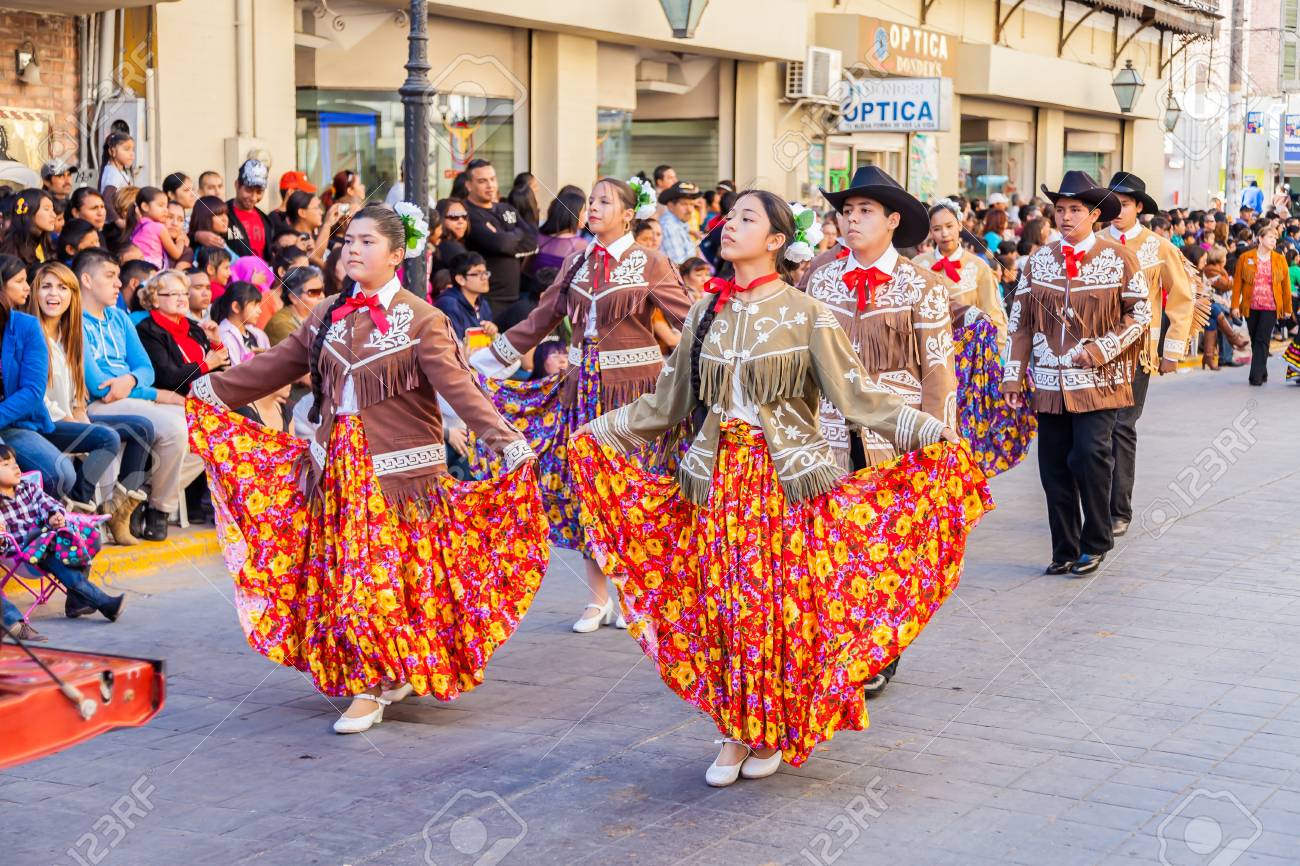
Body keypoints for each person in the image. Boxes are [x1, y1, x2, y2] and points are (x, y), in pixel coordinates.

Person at [568, 188, 987, 784]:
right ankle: (734, 730)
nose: (730, 226)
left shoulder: (806, 312)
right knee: (722, 611)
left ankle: (767, 728)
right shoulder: (707, 312)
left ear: (774, 241)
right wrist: (596, 433)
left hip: (785, 482)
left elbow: (859, 397)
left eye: (747, 219)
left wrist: (934, 433)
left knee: (770, 612)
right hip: (715, 485)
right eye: (729, 215)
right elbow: (665, 405)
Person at [185, 203, 549, 734]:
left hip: (401, 477)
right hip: (336, 469)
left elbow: (461, 389)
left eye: (367, 242)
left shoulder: (424, 319)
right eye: (348, 240)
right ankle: (381, 671)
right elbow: (279, 362)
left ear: (398, 256)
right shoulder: (329, 311)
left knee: (382, 581)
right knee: (351, 579)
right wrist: (210, 389)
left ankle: (371, 684)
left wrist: (506, 440)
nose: (352, 249)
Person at [469, 178, 693, 633]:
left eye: (604, 201)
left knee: (631, 494)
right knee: (585, 491)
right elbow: (540, 318)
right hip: (580, 390)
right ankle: (597, 600)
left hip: (634, 395)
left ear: (629, 214)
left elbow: (686, 316)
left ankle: (637, 598)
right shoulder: (577, 261)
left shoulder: (651, 262)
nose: (593, 207)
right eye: (591, 201)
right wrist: (482, 361)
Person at [1002, 171, 1149, 576]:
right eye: (1060, 209)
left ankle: (1096, 540)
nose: (1065, 217)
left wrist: (1102, 348)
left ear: (1095, 214)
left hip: (1100, 384)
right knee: (1052, 469)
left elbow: (1141, 315)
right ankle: (1064, 548)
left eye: (1075, 210)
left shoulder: (1119, 258)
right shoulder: (1038, 260)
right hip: (1049, 385)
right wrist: (1013, 377)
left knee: (1089, 457)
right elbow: (1020, 324)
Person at [76, 248, 204, 541]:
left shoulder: (120, 318)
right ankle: (155, 507)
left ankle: (145, 501)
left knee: (207, 428)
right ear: (86, 279)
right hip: (99, 404)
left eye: (118, 277)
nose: (119, 284)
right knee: (175, 428)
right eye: (110, 277)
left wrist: (132, 381)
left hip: (131, 395)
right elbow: (98, 386)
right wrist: (148, 391)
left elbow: (145, 368)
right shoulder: (75, 321)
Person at [28, 262, 153, 543]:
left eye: (62, 287)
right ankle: (76, 508)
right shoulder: (30, 332)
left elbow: (76, 391)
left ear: (72, 294)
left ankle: (118, 512)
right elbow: (33, 394)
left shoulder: (70, 335)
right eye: (46, 286)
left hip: (70, 417)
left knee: (142, 429)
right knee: (106, 438)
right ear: (35, 291)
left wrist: (79, 410)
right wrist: (70, 417)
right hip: (44, 422)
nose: (54, 294)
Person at [1103, 173, 1197, 537]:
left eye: (1124, 204)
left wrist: (1172, 349)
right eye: (1111, 203)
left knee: (1123, 427)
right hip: (1095, 354)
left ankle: (1118, 509)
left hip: (1139, 351)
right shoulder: (1094, 243)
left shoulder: (1159, 248)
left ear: (1139, 207)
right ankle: (1095, 502)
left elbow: (1182, 297)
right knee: (1095, 432)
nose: (1116, 210)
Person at [913, 200, 1031, 478]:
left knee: (965, 427)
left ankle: (964, 484)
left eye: (949, 226)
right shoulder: (918, 265)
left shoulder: (978, 267)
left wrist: (1002, 360)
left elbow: (995, 314)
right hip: (929, 359)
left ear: (961, 225)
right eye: (937, 229)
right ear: (930, 232)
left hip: (970, 363)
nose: (944, 234)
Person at [0, 445, 124, 622]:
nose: (15, 467)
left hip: (48, 542)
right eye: (6, 465)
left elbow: (49, 504)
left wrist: (54, 516)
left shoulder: (28, 489)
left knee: (85, 537)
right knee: (56, 555)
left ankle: (77, 602)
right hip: (22, 555)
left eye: (14, 462)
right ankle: (104, 603)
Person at [136, 269, 229, 394]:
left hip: (210, 395)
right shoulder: (147, 330)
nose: (182, 298)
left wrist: (216, 343)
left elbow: (224, 369)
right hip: (176, 401)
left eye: (185, 293)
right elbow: (166, 375)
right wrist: (205, 365)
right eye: (174, 294)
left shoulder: (194, 327)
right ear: (155, 300)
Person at [462, 159, 530, 317]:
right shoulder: (468, 213)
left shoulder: (506, 209)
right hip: (487, 299)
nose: (490, 185)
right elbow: (501, 244)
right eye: (482, 181)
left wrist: (506, 237)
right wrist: (514, 235)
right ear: (469, 185)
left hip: (515, 296)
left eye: (492, 179)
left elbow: (531, 239)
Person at [1232, 224, 1294, 386]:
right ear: (1260, 239)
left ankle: (1255, 377)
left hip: (1271, 306)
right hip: (1250, 305)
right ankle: (1263, 371)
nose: (1274, 240)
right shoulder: (1246, 258)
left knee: (1261, 339)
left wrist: (1288, 308)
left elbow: (1286, 286)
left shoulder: (1280, 259)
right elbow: (1238, 282)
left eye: (1275, 237)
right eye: (1270, 237)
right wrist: (1234, 306)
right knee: (1255, 339)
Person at [435, 253, 498, 341]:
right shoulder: (449, 305)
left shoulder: (482, 303)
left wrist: (492, 332)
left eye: (485, 273)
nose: (484, 277)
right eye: (477, 273)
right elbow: (454, 346)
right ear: (461, 279)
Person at [532, 189, 587, 284]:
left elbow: (526, 270)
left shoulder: (539, 237)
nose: (587, 215)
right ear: (573, 214)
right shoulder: (580, 245)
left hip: (534, 295)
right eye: (584, 211)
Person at [225, 159, 274, 262]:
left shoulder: (266, 220)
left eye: (259, 192)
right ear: (237, 185)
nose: (253, 198)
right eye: (249, 190)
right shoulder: (222, 215)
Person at [264, 265, 325, 346]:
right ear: (293, 297)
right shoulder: (281, 325)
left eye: (322, 290)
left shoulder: (319, 317)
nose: (322, 296)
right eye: (313, 292)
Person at [211, 281, 268, 365]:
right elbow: (234, 373)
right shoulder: (224, 337)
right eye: (254, 305)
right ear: (236, 307)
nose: (259, 311)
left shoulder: (258, 334)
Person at [129, 186, 186, 268]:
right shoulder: (159, 227)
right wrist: (181, 240)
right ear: (145, 206)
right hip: (151, 270)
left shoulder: (138, 225)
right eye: (161, 205)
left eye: (166, 206)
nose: (165, 210)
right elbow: (176, 254)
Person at [284, 190, 341, 269]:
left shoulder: (315, 237)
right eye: (316, 208)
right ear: (302, 212)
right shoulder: (290, 241)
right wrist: (327, 223)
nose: (321, 212)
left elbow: (340, 248)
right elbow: (315, 256)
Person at [0, 188, 56, 265]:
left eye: (53, 209)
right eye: (46, 209)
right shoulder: (11, 252)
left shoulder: (45, 243)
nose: (54, 215)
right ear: (29, 213)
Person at [658, 181, 703, 265]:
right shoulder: (669, 227)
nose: (690, 210)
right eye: (684, 204)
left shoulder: (678, 223)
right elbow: (679, 266)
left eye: (692, 204)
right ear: (670, 206)